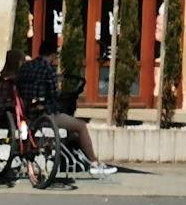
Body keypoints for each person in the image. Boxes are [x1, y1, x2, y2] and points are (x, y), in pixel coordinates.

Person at [17, 41, 116, 176]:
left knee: (71, 130)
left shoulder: (25, 68)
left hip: (26, 113)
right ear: (52, 56)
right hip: (45, 115)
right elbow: (53, 94)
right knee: (81, 126)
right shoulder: (48, 69)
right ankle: (94, 163)